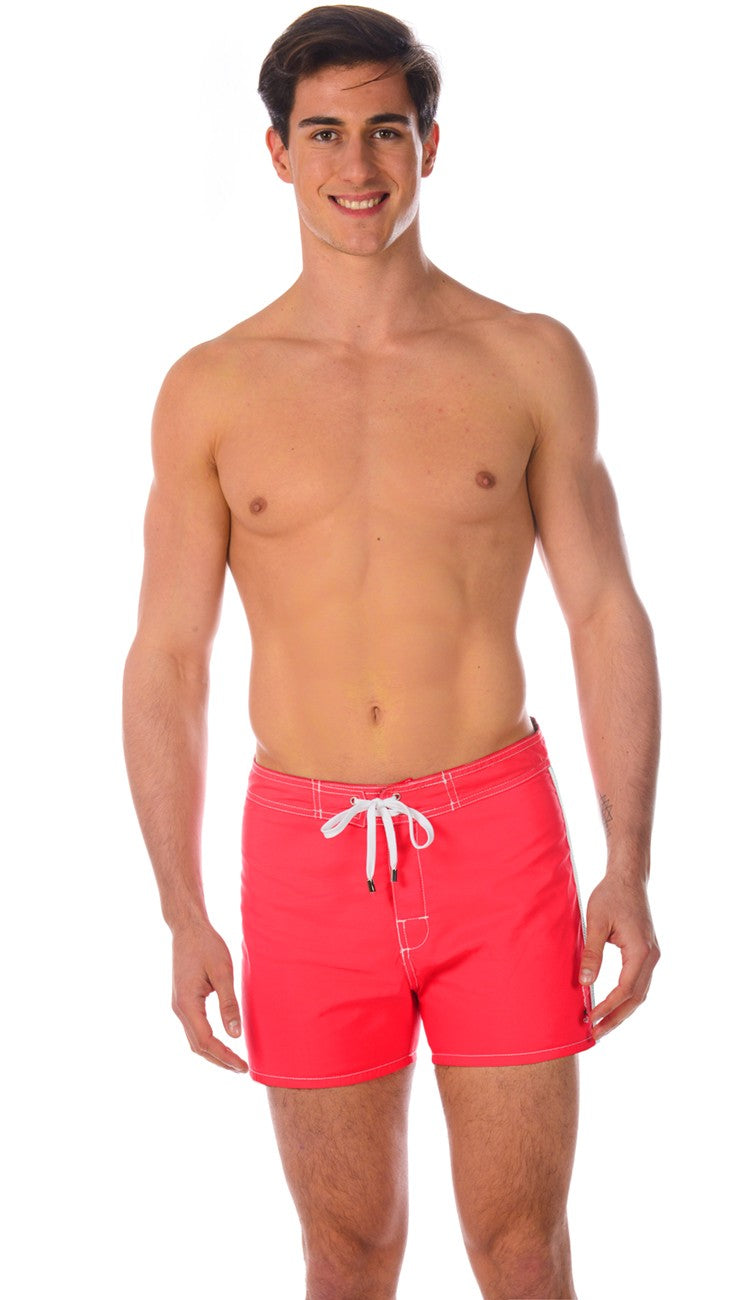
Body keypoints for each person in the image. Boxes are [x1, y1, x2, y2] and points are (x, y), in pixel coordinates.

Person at [122, 6, 661, 1297]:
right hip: (303, 859)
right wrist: (180, 908)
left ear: (430, 143)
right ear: (277, 153)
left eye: (384, 131)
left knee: (521, 1250)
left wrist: (629, 862)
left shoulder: (527, 359)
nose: (356, 166)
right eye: (323, 134)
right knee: (347, 1252)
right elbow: (168, 661)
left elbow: (605, 612)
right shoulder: (213, 387)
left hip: (497, 841)